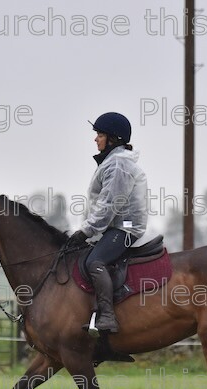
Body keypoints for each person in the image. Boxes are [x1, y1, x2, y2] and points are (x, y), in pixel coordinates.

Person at [69, 112, 149, 333]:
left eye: (100, 134)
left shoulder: (118, 165)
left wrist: (85, 231)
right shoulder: (113, 162)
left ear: (113, 139)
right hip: (117, 225)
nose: (96, 139)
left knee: (95, 262)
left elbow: (108, 205)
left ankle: (107, 317)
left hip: (126, 227)